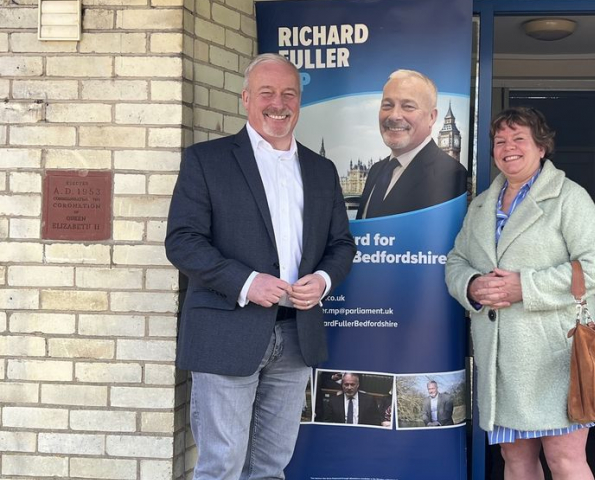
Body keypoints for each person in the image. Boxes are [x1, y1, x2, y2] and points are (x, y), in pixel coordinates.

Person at [165, 53, 356, 480]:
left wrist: (323, 280)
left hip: (296, 334)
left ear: (300, 101)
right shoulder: (206, 160)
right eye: (267, 92)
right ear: (246, 99)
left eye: (289, 93)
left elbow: (341, 244)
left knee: (270, 467)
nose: (278, 103)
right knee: (222, 465)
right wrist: (247, 282)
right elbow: (182, 241)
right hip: (226, 331)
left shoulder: (321, 170)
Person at [445, 107, 595, 480]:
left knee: (564, 460)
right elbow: (456, 260)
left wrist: (526, 286)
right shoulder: (481, 205)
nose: (508, 148)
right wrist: (471, 285)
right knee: (516, 460)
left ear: (541, 147)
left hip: (555, 357)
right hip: (500, 362)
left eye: (519, 138)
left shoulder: (569, 197)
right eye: (500, 141)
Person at [356, 69, 467, 219]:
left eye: (408, 106)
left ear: (432, 117)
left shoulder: (451, 174)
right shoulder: (376, 170)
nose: (394, 116)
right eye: (387, 105)